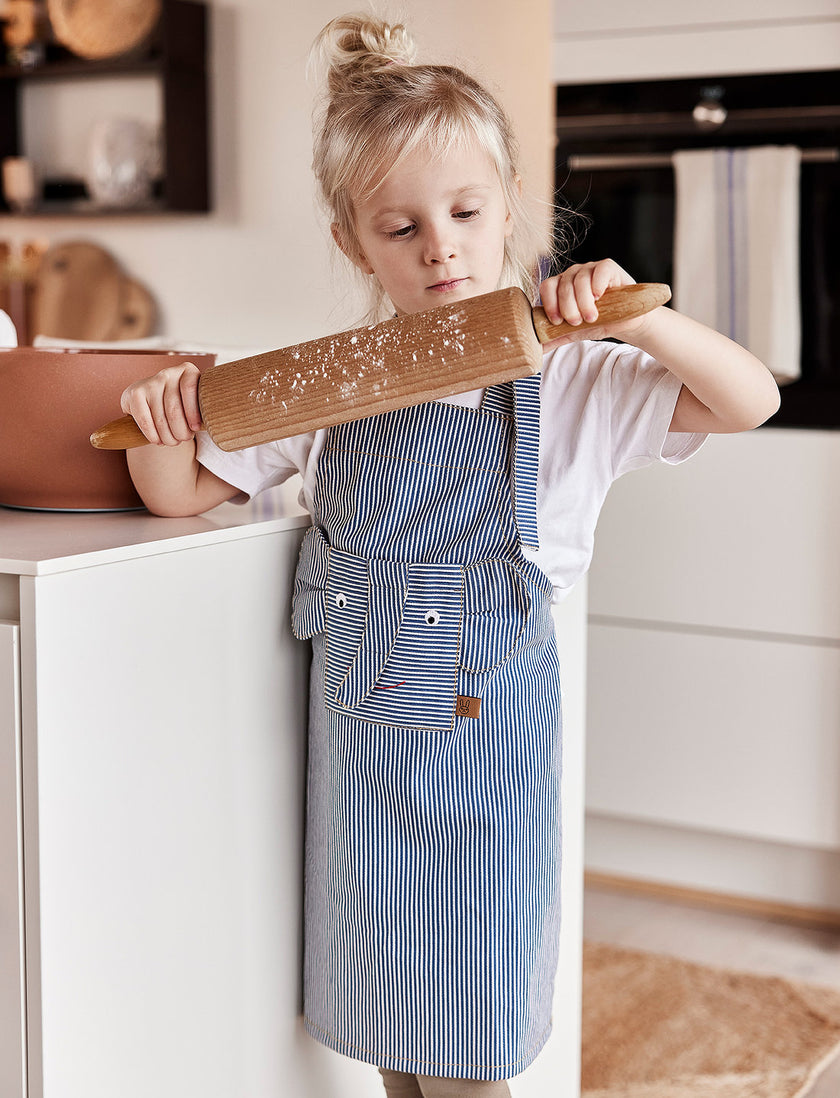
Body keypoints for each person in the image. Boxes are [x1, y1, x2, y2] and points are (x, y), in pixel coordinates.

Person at [120, 14, 780, 1098]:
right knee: (391, 1030)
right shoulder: (336, 382)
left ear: (511, 206)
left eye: (467, 212)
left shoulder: (571, 383)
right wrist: (157, 428)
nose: (441, 248)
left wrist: (636, 316)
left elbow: (746, 400)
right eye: (400, 227)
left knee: (470, 1046)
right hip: (366, 777)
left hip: (487, 785)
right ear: (352, 244)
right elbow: (185, 492)